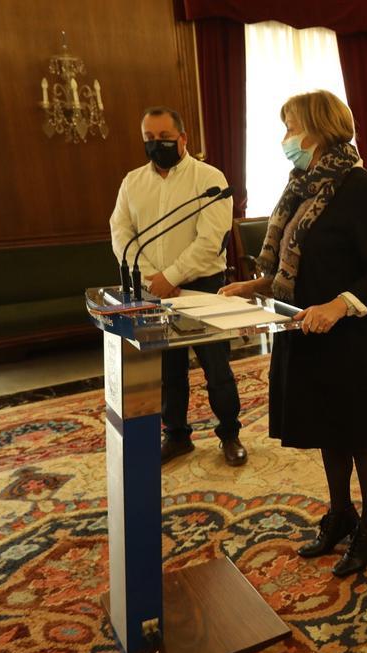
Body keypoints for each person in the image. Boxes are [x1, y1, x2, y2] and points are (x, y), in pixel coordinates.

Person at [220, 91, 367, 577]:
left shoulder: (360, 188)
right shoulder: (301, 184)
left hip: (349, 334)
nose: (286, 139)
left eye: (291, 126)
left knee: (358, 432)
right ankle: (340, 514)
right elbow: (297, 264)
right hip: (303, 329)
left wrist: (340, 305)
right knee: (328, 428)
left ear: (318, 129)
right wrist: (256, 284)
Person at [109, 106, 246, 467]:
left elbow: (210, 240)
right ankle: (177, 435)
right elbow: (121, 234)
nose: (157, 145)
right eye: (149, 139)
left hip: (202, 285)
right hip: (152, 287)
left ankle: (229, 434)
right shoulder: (132, 182)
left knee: (216, 367)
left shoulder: (209, 179)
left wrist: (170, 277)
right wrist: (152, 277)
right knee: (168, 371)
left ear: (183, 138)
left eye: (165, 138)